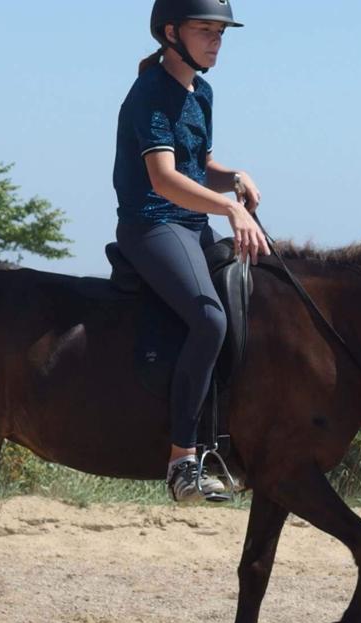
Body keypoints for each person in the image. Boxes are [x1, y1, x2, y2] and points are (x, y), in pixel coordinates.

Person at [113, 0, 270, 502]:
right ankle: (182, 461)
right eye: (205, 30)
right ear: (171, 33)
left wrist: (235, 177)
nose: (216, 41)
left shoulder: (200, 92)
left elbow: (199, 167)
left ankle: (228, 440)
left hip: (191, 223)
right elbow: (163, 180)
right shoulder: (150, 93)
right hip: (152, 224)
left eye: (220, 32)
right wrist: (229, 210)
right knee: (209, 319)